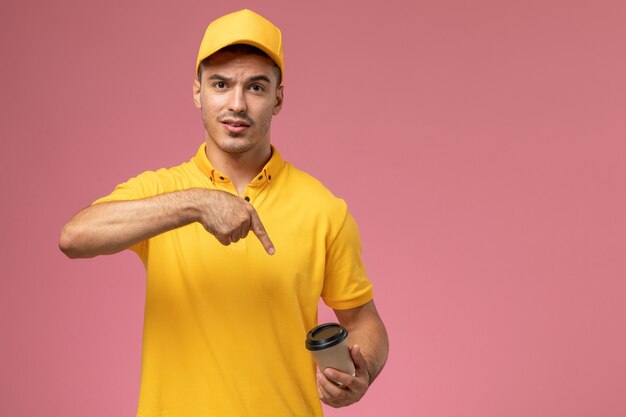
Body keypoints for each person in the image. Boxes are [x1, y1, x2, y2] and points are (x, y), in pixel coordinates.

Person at [59, 9, 388, 417]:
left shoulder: (323, 209)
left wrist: (363, 369)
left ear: (278, 98)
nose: (237, 104)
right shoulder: (162, 192)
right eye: (220, 84)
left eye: (255, 87)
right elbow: (74, 237)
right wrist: (196, 203)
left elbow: (365, 321)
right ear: (197, 92)